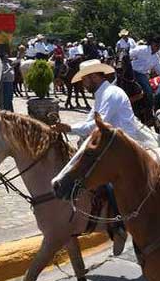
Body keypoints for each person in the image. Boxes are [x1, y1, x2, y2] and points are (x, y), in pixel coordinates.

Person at [51, 59, 141, 256]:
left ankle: (119, 225)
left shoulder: (111, 94)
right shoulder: (102, 95)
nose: (83, 84)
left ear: (93, 77)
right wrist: (71, 129)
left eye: (84, 80)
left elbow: (98, 125)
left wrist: (70, 128)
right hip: (109, 144)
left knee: (101, 176)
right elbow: (90, 121)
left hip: (123, 147)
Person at [129, 38, 160, 106]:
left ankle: (149, 109)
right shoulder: (141, 49)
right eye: (156, 45)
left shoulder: (156, 58)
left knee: (149, 91)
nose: (157, 47)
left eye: (159, 46)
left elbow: (159, 70)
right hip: (131, 71)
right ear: (151, 43)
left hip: (142, 74)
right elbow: (129, 55)